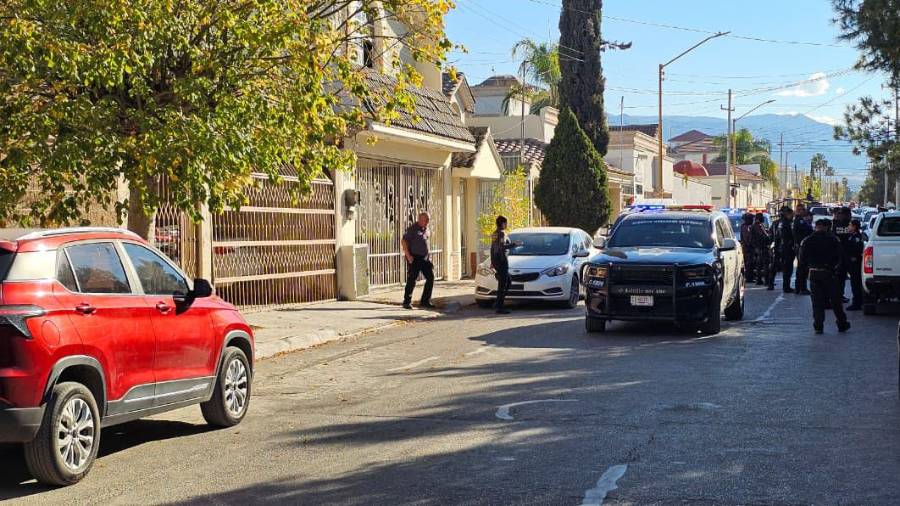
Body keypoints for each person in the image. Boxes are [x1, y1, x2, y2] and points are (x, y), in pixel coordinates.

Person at [798, 219, 850, 334]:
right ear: (826, 227)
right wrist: (836, 270)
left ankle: (818, 326)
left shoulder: (807, 240)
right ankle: (842, 323)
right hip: (829, 273)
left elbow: (801, 259)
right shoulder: (833, 239)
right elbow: (840, 257)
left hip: (814, 273)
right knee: (835, 301)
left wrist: (809, 268)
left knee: (817, 302)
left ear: (816, 227)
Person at [401, 212, 435, 310]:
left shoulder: (426, 229)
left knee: (430, 277)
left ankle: (425, 301)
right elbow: (403, 241)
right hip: (415, 258)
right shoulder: (413, 229)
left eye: (428, 220)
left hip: (424, 258)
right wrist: (408, 256)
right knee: (412, 279)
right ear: (420, 220)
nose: (427, 222)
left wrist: (428, 257)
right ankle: (407, 301)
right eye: (426, 220)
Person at [490, 215, 517, 314]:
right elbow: (502, 247)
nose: (506, 225)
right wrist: (514, 244)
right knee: (503, 283)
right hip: (502, 260)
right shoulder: (501, 233)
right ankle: (500, 307)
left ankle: (498, 303)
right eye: (506, 223)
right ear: (502, 223)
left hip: (496, 260)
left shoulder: (494, 233)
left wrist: (492, 261)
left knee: (508, 281)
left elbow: (492, 248)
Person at [771, 206, 795, 292]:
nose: (792, 216)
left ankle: (770, 283)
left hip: (779, 247)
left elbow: (774, 235)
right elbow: (788, 236)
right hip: (786, 248)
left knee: (776, 266)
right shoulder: (787, 223)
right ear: (787, 214)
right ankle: (786, 287)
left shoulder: (778, 222)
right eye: (791, 214)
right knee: (787, 268)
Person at [845, 219, 867, 311]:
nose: (848, 227)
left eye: (850, 225)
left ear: (854, 227)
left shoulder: (857, 237)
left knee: (856, 283)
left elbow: (858, 249)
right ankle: (858, 301)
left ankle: (857, 303)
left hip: (855, 263)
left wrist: (854, 256)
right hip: (851, 263)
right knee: (854, 283)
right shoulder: (852, 236)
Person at [832, 207, 852, 302]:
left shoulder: (839, 224)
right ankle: (838, 296)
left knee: (841, 277)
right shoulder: (842, 225)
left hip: (844, 254)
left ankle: (839, 295)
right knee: (840, 277)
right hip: (841, 255)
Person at [792, 203, 813, 295]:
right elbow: (808, 230)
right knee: (803, 268)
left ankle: (798, 287)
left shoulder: (798, 220)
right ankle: (802, 288)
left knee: (801, 268)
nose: (804, 211)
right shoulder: (799, 220)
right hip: (801, 246)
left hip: (800, 245)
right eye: (802, 209)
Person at [750, 213, 772, 288]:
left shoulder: (756, 226)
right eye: (761, 217)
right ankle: (766, 280)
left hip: (759, 247)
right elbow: (763, 236)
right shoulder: (757, 226)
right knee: (765, 264)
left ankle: (759, 280)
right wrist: (768, 238)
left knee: (759, 265)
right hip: (761, 247)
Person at [739, 213, 756, 283]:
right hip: (748, 249)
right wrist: (751, 244)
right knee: (748, 263)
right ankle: (749, 277)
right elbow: (747, 239)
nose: (752, 220)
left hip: (749, 248)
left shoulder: (748, 226)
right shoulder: (745, 227)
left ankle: (751, 276)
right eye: (751, 219)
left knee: (751, 263)